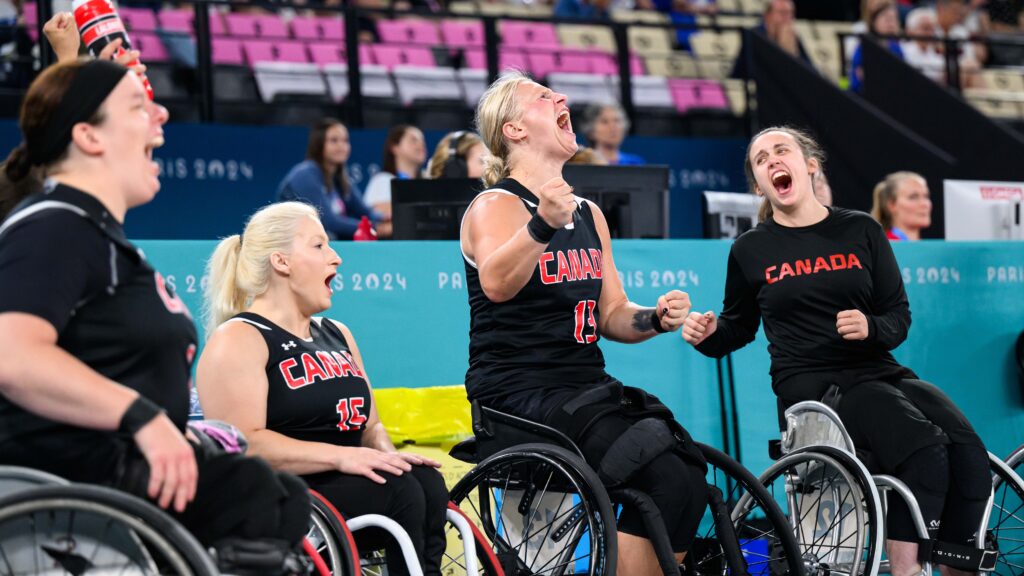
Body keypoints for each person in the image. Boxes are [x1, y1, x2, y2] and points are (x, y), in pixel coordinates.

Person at [0, 59, 310, 573]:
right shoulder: (54, 228)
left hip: (115, 476)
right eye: (138, 107)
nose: (161, 114)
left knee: (277, 493)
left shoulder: (98, 237)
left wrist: (173, 428)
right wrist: (144, 418)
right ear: (88, 136)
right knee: (252, 493)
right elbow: (12, 355)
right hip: (71, 488)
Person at [682, 126, 991, 576]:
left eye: (780, 151)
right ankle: (909, 572)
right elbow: (737, 328)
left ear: (810, 165)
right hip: (813, 388)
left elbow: (897, 318)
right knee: (925, 448)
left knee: (968, 449)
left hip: (879, 370)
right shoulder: (751, 249)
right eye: (761, 159)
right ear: (759, 183)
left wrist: (870, 327)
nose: (772, 161)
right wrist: (708, 333)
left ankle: (956, 565)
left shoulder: (861, 229)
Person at [461, 70, 708, 576]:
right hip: (519, 397)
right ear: (514, 130)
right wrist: (541, 224)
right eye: (544, 97)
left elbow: (611, 315)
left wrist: (655, 318)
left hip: (582, 389)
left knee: (686, 472)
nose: (562, 98)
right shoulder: (494, 206)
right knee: (661, 471)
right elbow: (496, 283)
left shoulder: (589, 213)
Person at [197, 201, 447, 576]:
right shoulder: (239, 338)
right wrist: (340, 457)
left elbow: (371, 426)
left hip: (345, 479)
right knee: (403, 493)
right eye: (319, 246)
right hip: (284, 490)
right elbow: (245, 444)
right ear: (281, 262)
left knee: (427, 483)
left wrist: (389, 457)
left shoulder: (338, 333)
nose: (336, 257)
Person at [277, 117, 391, 239]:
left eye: (345, 141)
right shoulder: (306, 173)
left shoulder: (340, 178)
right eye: (334, 140)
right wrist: (377, 228)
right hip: (294, 244)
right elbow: (329, 222)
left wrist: (385, 218)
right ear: (319, 145)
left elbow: (364, 212)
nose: (341, 146)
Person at [362, 124, 427, 226]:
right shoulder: (382, 180)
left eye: (422, 141)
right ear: (395, 147)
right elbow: (373, 213)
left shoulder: (428, 180)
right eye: (413, 140)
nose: (421, 145)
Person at [731, 0, 811, 80]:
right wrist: (784, 52)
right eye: (782, 13)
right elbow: (758, 73)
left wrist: (795, 55)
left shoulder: (793, 37)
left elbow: (811, 72)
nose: (787, 19)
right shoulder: (754, 37)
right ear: (767, 16)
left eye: (790, 13)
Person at [849, 1, 905, 94]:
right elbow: (858, 79)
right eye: (887, 19)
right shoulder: (863, 47)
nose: (891, 23)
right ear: (874, 22)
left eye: (894, 19)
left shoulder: (897, 48)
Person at [871, 170, 932, 241]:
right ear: (892, 205)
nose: (924, 204)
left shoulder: (933, 249)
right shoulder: (881, 248)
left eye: (926, 196)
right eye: (913, 197)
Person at [581, 102, 646, 166]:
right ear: (591, 131)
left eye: (617, 121)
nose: (613, 127)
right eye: (604, 122)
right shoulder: (583, 163)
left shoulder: (635, 163)